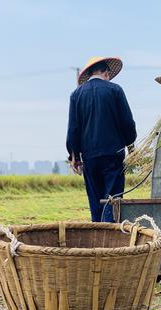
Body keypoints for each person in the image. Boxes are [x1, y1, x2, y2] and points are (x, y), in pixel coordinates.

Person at [66, 56, 137, 222]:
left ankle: (97, 235)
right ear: (106, 72)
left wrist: (74, 155)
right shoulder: (115, 90)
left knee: (95, 200)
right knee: (112, 199)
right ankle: (109, 235)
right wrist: (131, 145)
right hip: (113, 154)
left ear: (90, 73)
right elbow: (127, 123)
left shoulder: (76, 95)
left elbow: (73, 129)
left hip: (90, 157)